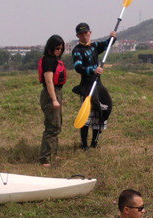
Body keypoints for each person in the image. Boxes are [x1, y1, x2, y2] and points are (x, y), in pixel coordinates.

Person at [72, 22, 116, 150]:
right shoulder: (77, 50)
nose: (84, 35)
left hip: (97, 83)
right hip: (86, 85)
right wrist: (93, 69)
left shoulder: (95, 46)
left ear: (90, 33)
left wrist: (113, 37)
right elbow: (78, 67)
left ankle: (94, 142)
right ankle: (84, 144)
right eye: (81, 34)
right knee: (86, 117)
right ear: (77, 36)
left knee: (101, 111)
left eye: (86, 33)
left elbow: (107, 44)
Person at [38, 34, 67, 167]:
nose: (59, 51)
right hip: (51, 94)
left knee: (57, 125)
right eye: (57, 48)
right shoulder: (48, 60)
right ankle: (45, 159)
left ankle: (53, 153)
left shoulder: (55, 60)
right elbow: (49, 81)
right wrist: (54, 100)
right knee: (51, 126)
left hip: (57, 92)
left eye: (61, 48)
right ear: (50, 48)